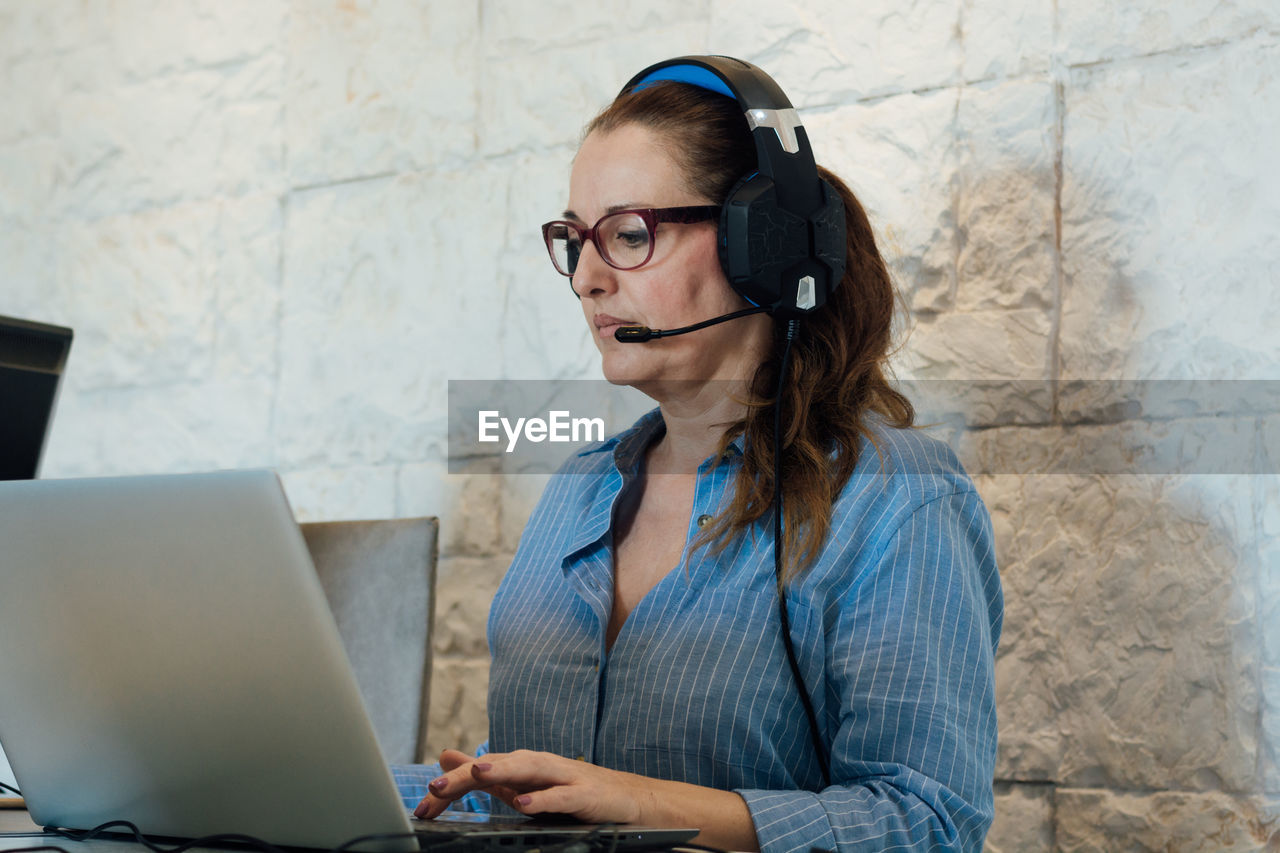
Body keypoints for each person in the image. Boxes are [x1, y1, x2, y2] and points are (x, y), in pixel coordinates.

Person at [394, 57, 1003, 852]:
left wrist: (641, 804)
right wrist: (398, 783)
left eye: (629, 233)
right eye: (574, 240)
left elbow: (928, 820)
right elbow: (551, 800)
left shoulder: (896, 498)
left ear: (765, 246)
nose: (586, 278)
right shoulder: (579, 490)